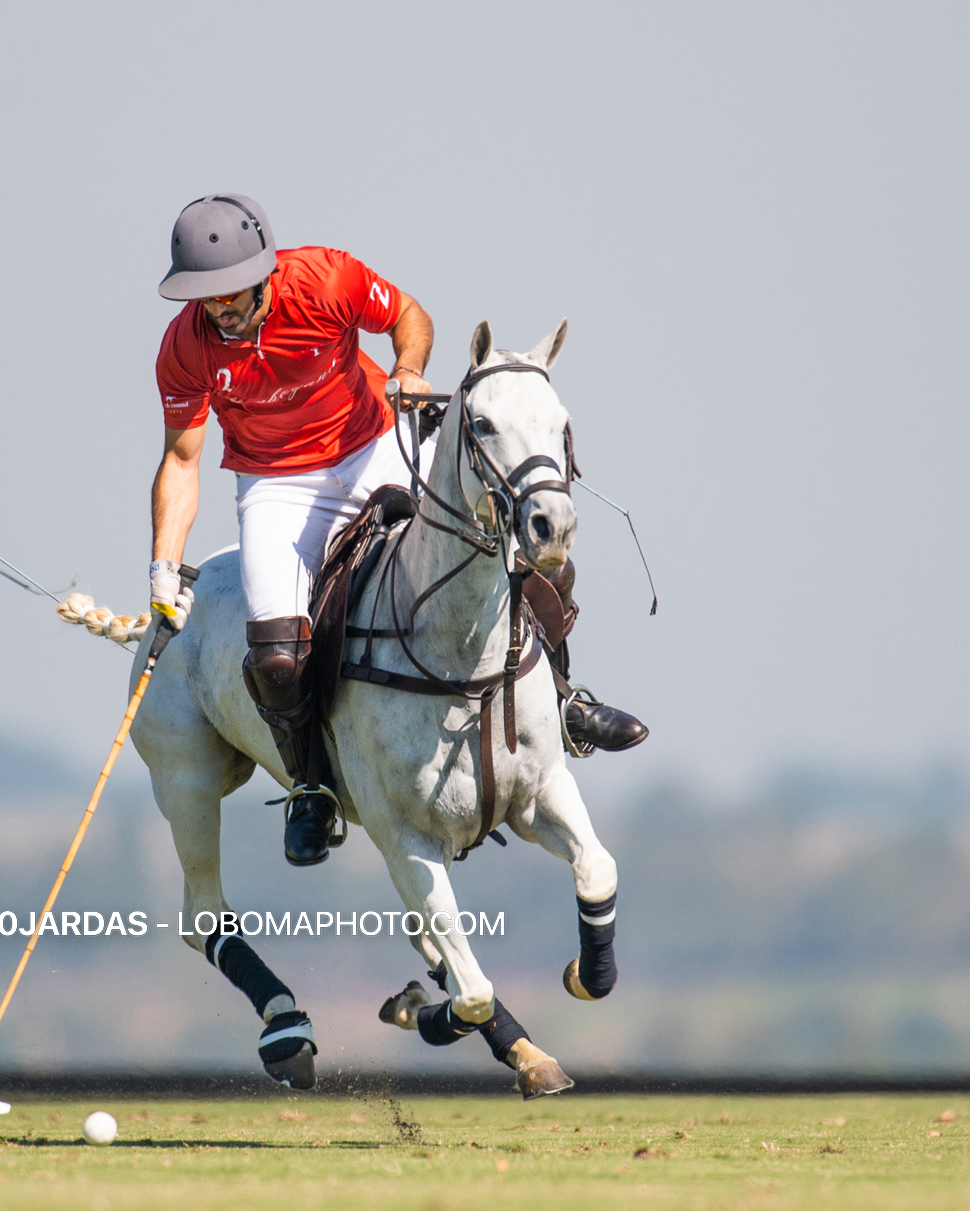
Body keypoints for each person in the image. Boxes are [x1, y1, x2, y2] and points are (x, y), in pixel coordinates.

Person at [147, 194, 645, 868]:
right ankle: (314, 786)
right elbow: (181, 460)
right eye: (204, 295)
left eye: (230, 292)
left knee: (516, 554)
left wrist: (407, 369)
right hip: (276, 484)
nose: (218, 307)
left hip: (371, 443)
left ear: (265, 271)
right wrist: (163, 566)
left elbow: (409, 315)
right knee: (275, 656)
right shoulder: (184, 347)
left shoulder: (325, 278)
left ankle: (563, 703)